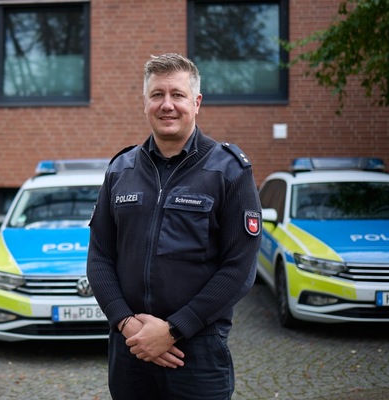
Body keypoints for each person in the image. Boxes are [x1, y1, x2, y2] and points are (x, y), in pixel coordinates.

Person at [86, 53, 261, 400]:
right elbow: (100, 256)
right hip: (130, 347)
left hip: (196, 351)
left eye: (177, 95)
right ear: (145, 103)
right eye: (157, 95)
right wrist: (126, 322)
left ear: (196, 103)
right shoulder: (121, 169)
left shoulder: (229, 172)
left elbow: (239, 268)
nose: (167, 105)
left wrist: (173, 329)